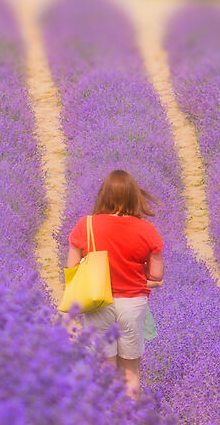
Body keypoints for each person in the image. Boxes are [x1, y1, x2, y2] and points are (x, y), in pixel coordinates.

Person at [64, 168, 167, 397]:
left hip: (98, 302)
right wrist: (144, 279)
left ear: (104, 195)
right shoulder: (147, 229)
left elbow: (71, 269)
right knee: (130, 372)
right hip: (132, 303)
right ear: (133, 196)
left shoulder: (86, 225)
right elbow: (157, 274)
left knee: (105, 368)